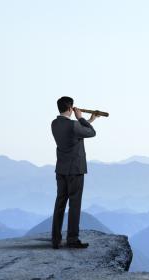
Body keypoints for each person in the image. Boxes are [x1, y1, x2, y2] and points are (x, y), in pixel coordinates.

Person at [50, 96, 97, 249]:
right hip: (75, 170)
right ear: (71, 108)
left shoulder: (54, 124)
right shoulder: (74, 124)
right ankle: (72, 239)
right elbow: (91, 133)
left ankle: (56, 239)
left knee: (60, 203)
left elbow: (77, 131)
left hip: (61, 169)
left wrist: (89, 120)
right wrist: (81, 118)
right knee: (74, 204)